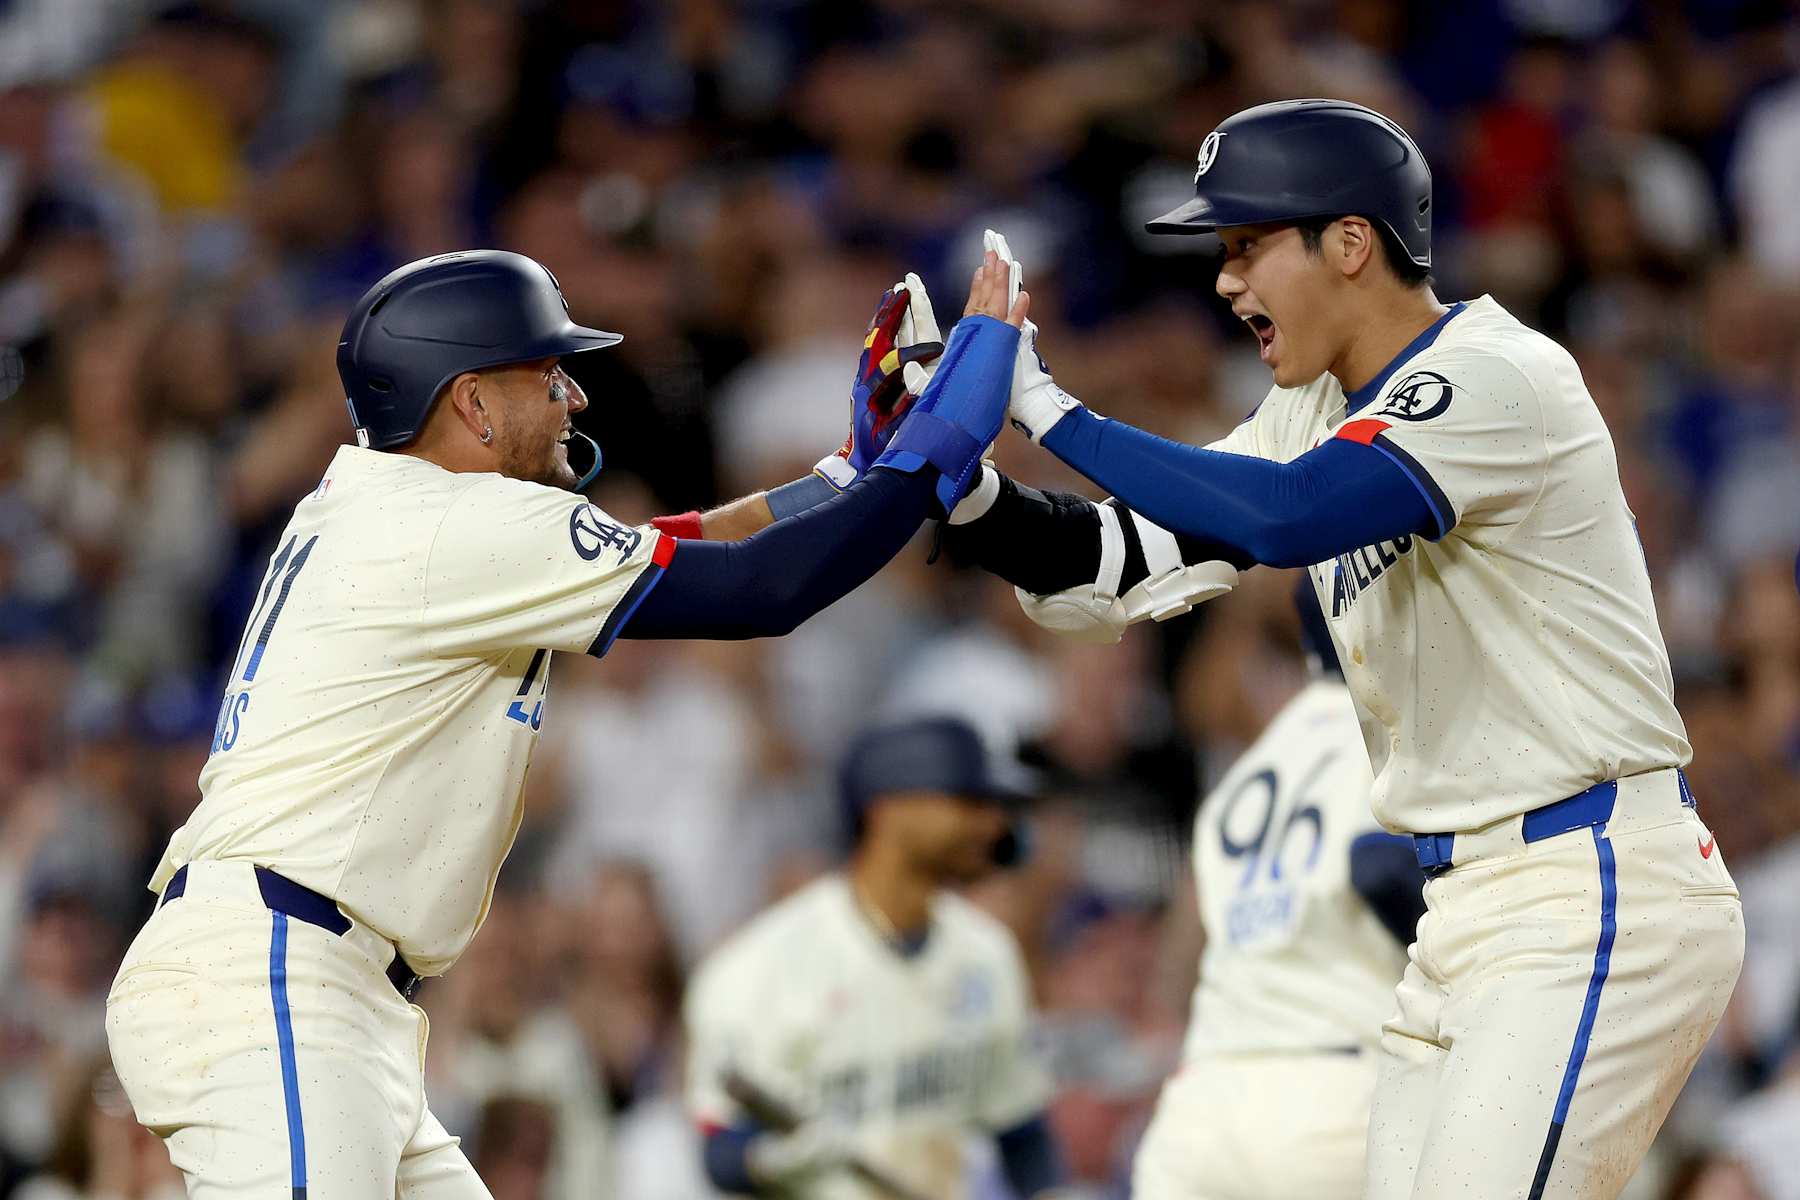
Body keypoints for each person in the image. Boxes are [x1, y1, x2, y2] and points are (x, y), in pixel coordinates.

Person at [104, 247, 1028, 1198]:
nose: (574, 397)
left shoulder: (397, 507)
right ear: (473, 403)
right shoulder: (455, 526)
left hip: (309, 986)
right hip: (275, 982)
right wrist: (939, 445)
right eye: (545, 374)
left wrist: (844, 480)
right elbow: (761, 589)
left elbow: (664, 546)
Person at [946, 100, 1745, 1198]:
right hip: (1465, 912)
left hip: (1590, 880)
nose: (1226, 282)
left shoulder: (1499, 372)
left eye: (1247, 246)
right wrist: (958, 488)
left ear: (1352, 243)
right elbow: (1125, 560)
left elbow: (1284, 517)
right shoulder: (1314, 409)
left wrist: (1041, 402)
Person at [683, 715, 1066, 1200]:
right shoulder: (759, 967)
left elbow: (1021, 1129)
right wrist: (769, 1159)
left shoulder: (987, 954)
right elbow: (718, 1148)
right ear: (887, 811)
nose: (992, 824)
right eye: (968, 802)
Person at [1131, 585, 1424, 1199]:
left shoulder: (1250, 767)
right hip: (1331, 1088)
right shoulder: (1397, 743)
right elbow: (1378, 867)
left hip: (1201, 1102)